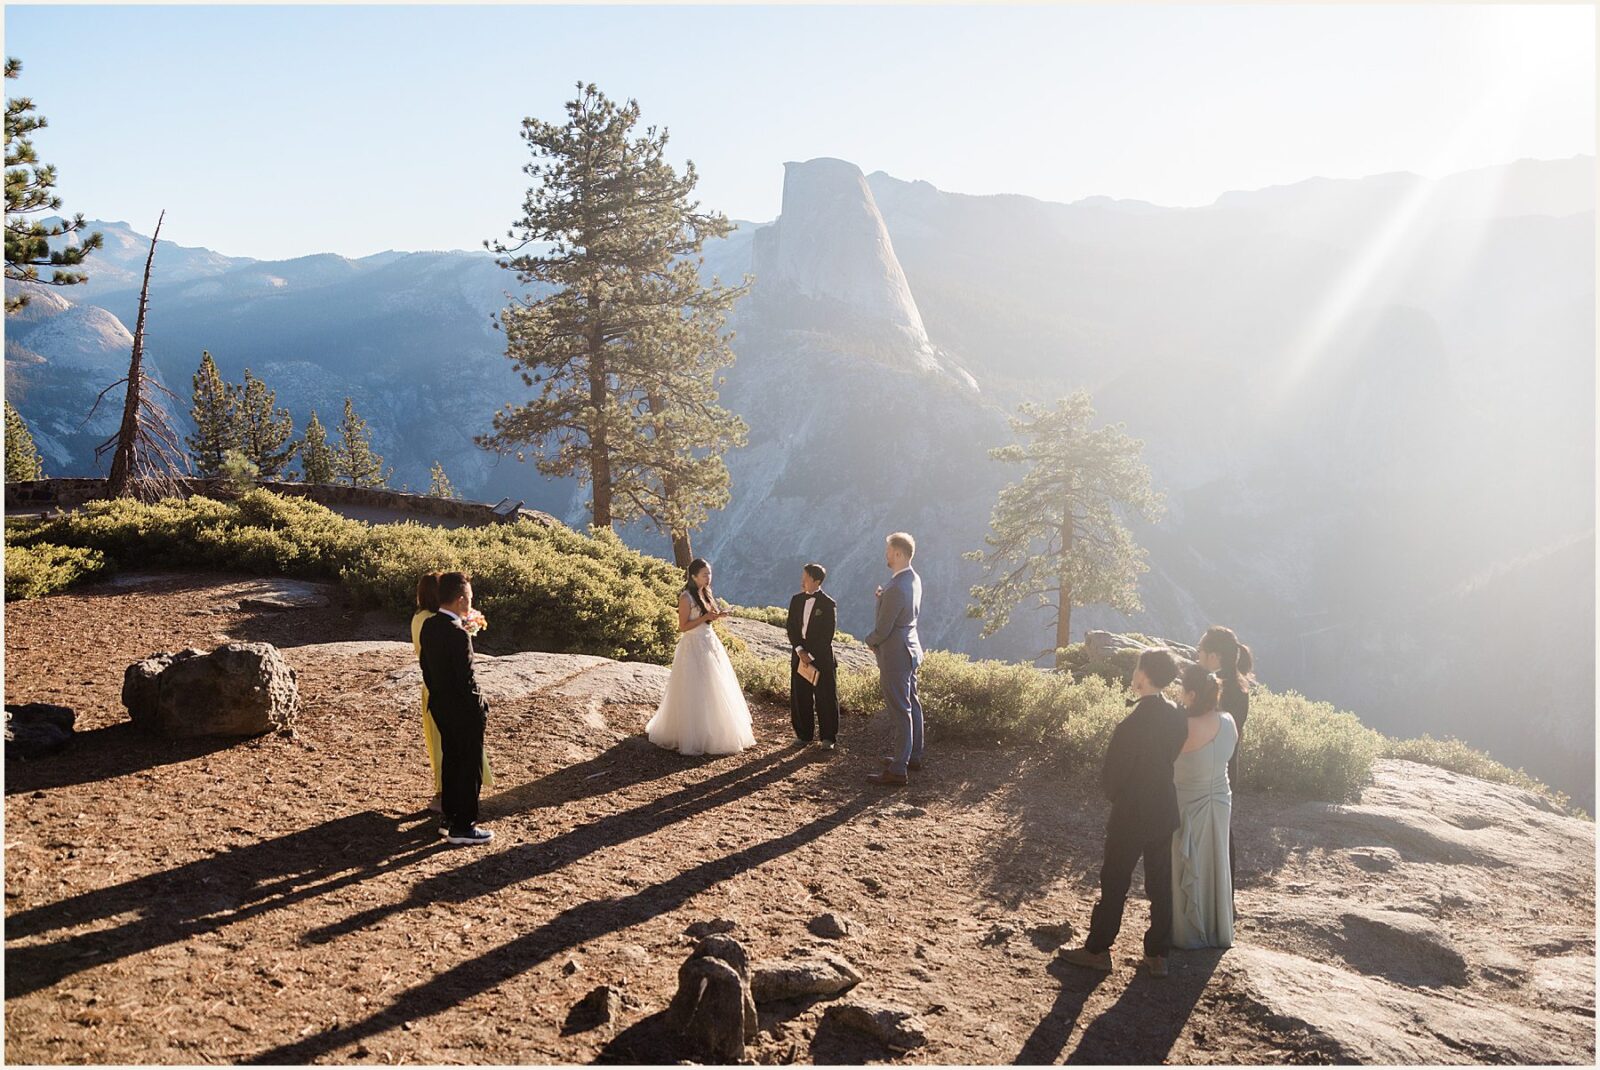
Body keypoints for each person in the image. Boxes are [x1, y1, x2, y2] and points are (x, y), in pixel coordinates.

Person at [1061, 648, 1186, 978]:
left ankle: (1098, 949)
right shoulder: (1177, 715)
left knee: (1115, 881)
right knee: (1160, 882)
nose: (1133, 673)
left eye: (1136, 668)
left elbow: (1112, 778)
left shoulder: (1130, 725)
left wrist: (1119, 798)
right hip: (1164, 807)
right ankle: (1158, 954)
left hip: (1131, 812)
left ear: (1143, 676)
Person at [645, 558, 756, 756]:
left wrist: (718, 616)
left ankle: (713, 731)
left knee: (714, 685)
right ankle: (692, 734)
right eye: (705, 574)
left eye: (710, 574)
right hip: (693, 645)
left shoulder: (705, 593)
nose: (708, 577)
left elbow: (706, 619)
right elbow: (683, 627)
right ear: (694, 575)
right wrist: (705, 618)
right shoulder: (686, 597)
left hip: (709, 642)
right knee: (694, 688)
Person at [417, 571, 493, 845]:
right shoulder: (457, 634)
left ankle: (449, 819)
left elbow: (426, 668)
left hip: (440, 705)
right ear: (461, 600)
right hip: (463, 710)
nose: (471, 604)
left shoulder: (429, 626)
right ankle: (465, 825)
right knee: (469, 765)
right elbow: (466, 679)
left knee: (451, 760)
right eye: (470, 599)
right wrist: (480, 705)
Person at [1170, 663, 1237, 949]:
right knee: (1215, 860)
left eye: (1183, 691)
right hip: (1221, 800)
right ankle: (1217, 927)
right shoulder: (1229, 721)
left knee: (1186, 862)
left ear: (1193, 694)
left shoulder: (1184, 727)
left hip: (1187, 802)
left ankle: (1187, 931)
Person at [1197, 626, 1252, 893]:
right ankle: (1223, 896)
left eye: (1201, 651)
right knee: (1221, 832)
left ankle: (1215, 897)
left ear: (1214, 656)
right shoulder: (1240, 686)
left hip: (1210, 768)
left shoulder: (1218, 688)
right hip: (1227, 766)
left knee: (1211, 834)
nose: (1197, 655)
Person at [865, 532, 923, 787]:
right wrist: (883, 598)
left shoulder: (897, 588)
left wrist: (869, 641)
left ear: (898, 553)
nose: (886, 555)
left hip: (895, 654)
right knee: (912, 704)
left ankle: (898, 769)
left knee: (901, 711)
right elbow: (902, 611)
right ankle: (912, 756)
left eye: (889, 551)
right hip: (910, 649)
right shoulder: (912, 579)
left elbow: (883, 629)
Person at [786, 563, 840, 750]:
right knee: (800, 695)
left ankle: (828, 738)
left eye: (806, 577)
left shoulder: (828, 604)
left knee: (825, 697)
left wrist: (811, 654)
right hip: (800, 655)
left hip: (821, 657)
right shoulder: (796, 600)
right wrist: (800, 650)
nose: (803, 580)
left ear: (816, 581)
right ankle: (803, 734)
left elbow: (828, 634)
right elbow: (791, 628)